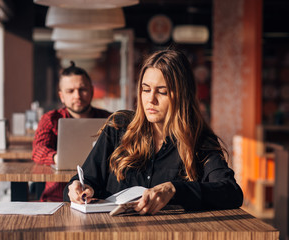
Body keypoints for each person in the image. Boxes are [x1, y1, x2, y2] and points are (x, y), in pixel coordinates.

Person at [63, 49, 243, 214]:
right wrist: (77, 188)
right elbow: (84, 181)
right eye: (146, 89)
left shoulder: (199, 139)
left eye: (162, 92)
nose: (150, 99)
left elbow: (231, 192)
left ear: (182, 95)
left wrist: (173, 189)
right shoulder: (118, 128)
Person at [32, 61, 111, 202]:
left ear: (92, 91)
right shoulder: (51, 118)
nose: (77, 96)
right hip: (56, 197)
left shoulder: (109, 119)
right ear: (62, 96)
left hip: (99, 197)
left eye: (82, 89)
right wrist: (58, 158)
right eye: (70, 91)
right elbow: (38, 149)